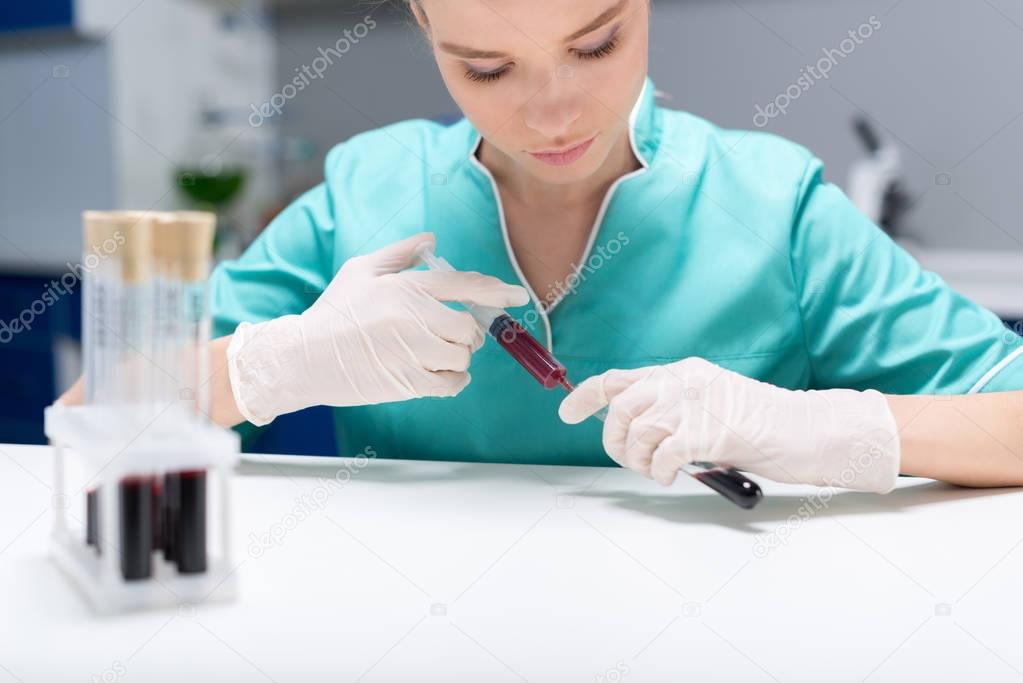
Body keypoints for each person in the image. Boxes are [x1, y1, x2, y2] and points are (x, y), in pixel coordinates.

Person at [65, 0, 1023, 493]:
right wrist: (268, 366)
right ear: (422, 22)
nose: (552, 111)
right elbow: (86, 416)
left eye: (596, 44)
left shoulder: (773, 205)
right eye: (486, 68)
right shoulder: (365, 193)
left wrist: (829, 432)